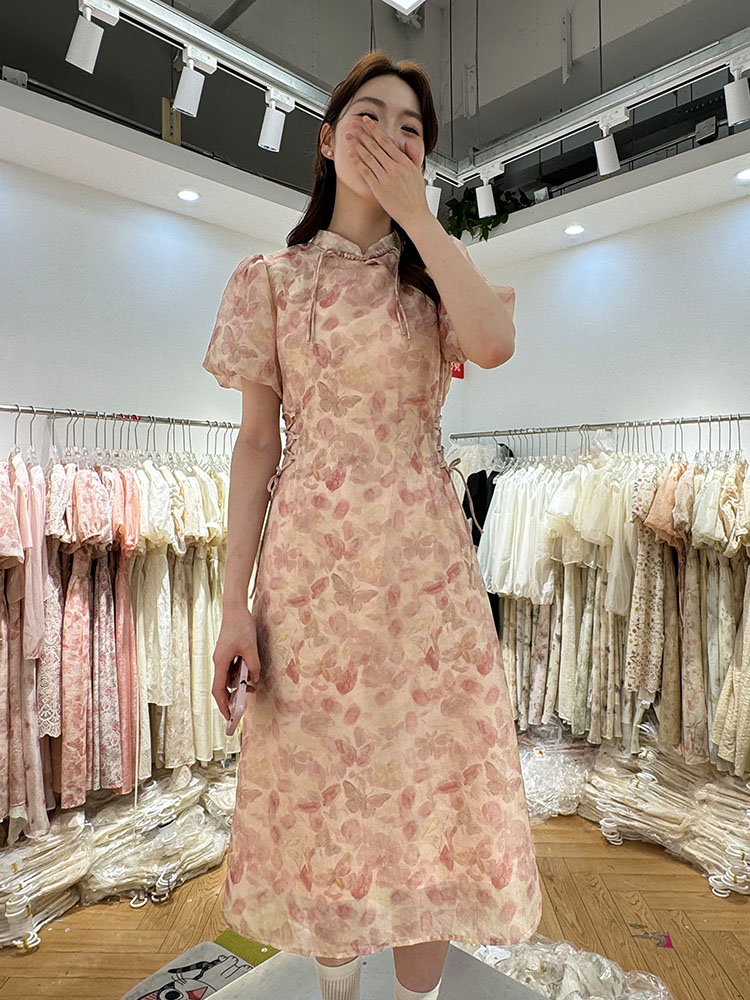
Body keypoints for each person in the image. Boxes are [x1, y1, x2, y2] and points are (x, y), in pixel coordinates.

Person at [202, 49, 542, 1000]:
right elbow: (256, 447)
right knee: (322, 796)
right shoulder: (271, 281)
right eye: (370, 116)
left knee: (427, 792)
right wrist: (233, 605)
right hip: (311, 575)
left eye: (411, 129)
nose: (390, 136)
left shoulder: (432, 284)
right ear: (325, 139)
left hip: (423, 577)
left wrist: (419, 218)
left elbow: (495, 342)